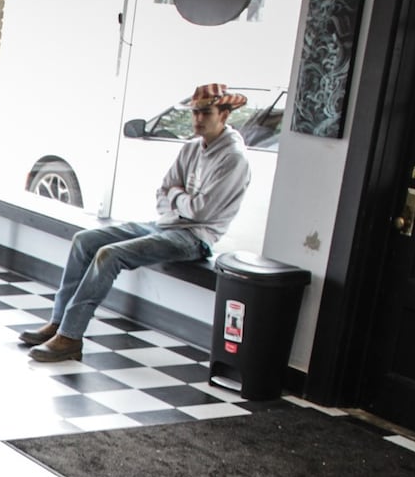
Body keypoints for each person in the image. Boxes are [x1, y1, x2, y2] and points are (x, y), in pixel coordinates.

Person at [22, 82, 253, 362]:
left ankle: (70, 336)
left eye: (206, 113)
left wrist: (177, 197)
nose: (198, 120)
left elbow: (200, 211)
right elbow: (161, 192)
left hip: (195, 237)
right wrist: (180, 200)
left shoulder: (233, 158)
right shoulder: (191, 148)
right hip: (166, 224)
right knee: (84, 241)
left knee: (109, 255)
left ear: (224, 115)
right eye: (195, 113)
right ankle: (58, 322)